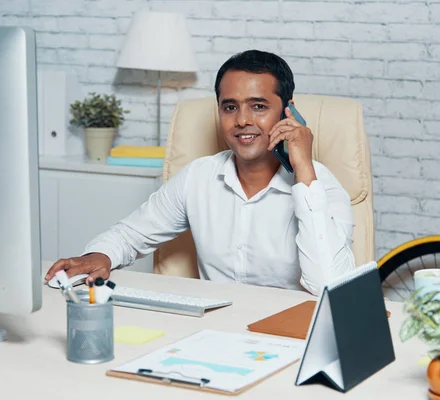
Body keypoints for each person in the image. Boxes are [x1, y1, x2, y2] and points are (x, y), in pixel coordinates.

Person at [45, 50, 355, 296]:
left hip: (290, 334)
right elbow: (131, 234)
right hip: (213, 328)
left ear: (288, 112)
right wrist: (100, 255)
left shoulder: (320, 185)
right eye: (230, 107)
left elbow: (329, 284)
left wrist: (303, 170)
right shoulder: (199, 177)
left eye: (258, 106)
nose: (242, 120)